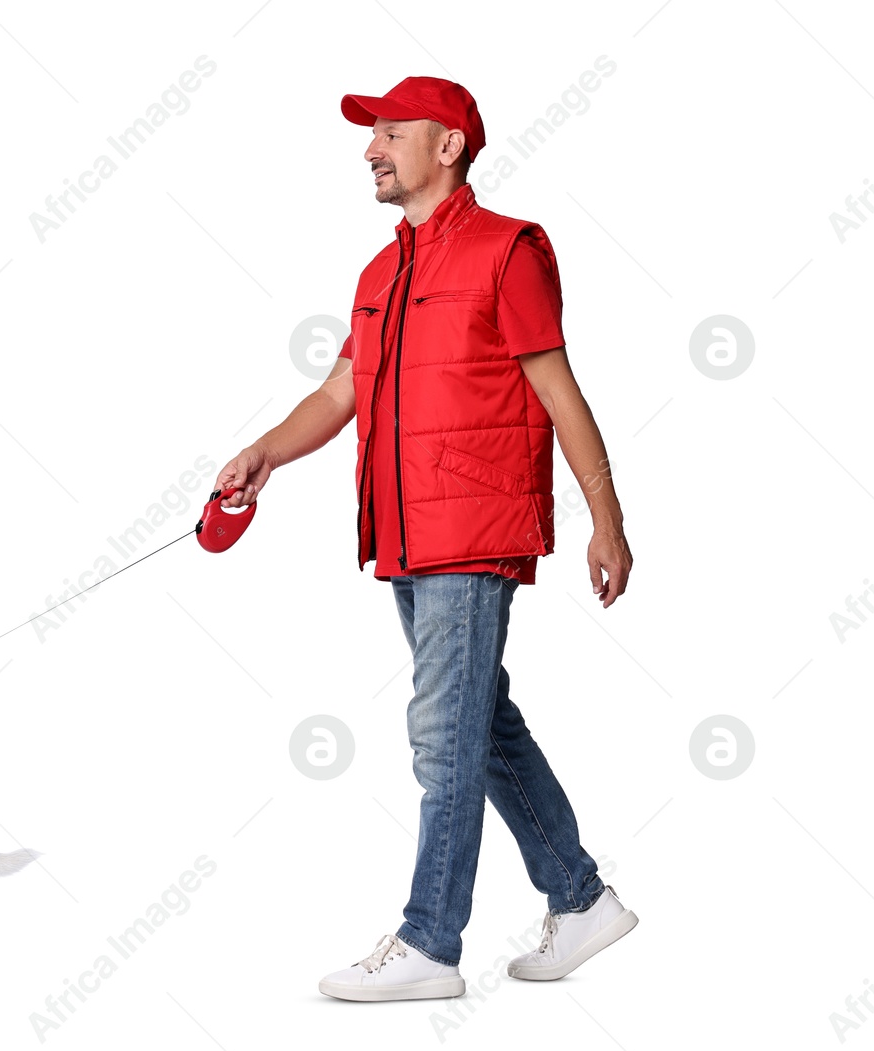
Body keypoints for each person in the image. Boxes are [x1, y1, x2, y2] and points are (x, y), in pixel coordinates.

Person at [216, 76, 637, 1002]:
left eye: (391, 132)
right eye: (372, 134)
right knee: (482, 724)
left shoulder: (508, 251)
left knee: (443, 734)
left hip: (472, 526)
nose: (372, 148)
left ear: (447, 146)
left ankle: (430, 943)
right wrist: (264, 454)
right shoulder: (381, 271)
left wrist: (606, 519)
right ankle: (582, 897)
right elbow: (340, 395)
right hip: (404, 530)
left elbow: (560, 391)